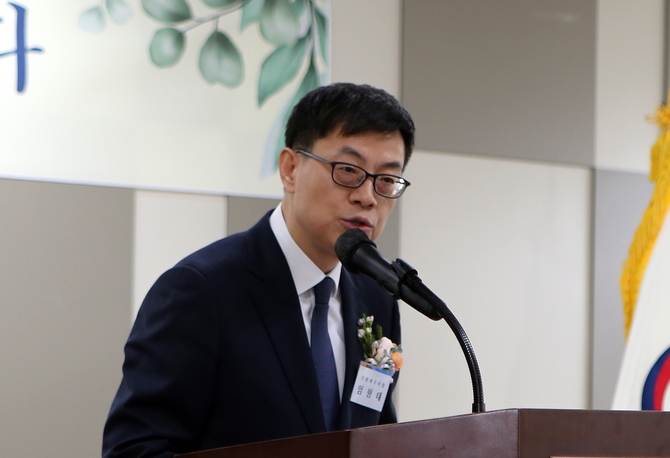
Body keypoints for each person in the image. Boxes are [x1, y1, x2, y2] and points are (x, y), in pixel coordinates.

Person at [102, 83, 415, 458]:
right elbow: (134, 449)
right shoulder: (201, 290)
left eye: (386, 180)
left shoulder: (377, 298)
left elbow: (374, 433)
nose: (367, 197)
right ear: (290, 169)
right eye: (348, 170)